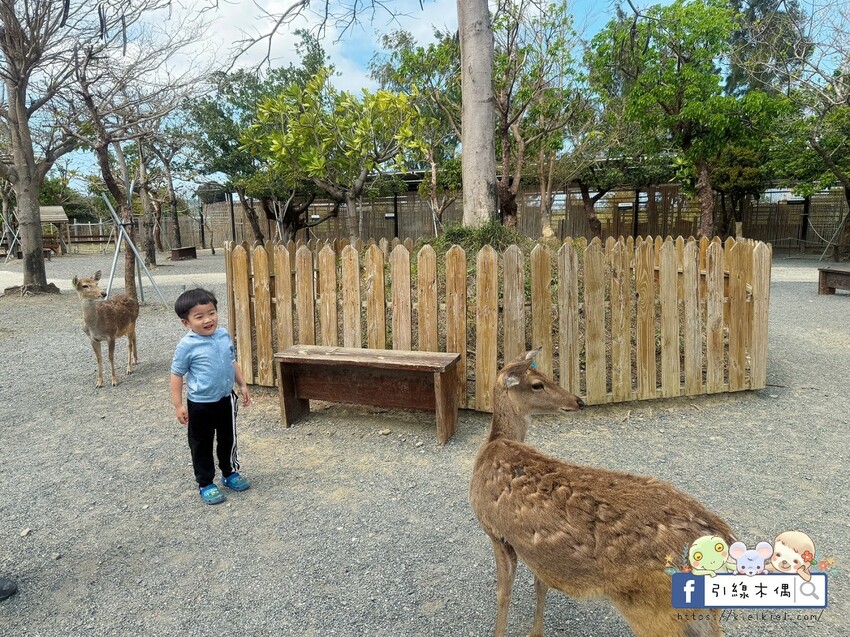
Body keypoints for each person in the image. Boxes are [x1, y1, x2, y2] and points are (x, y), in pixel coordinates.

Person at [170, 288, 251, 505]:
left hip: (226, 399)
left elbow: (231, 361)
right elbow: (177, 374)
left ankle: (230, 472)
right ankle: (206, 482)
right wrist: (178, 405)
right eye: (199, 316)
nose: (208, 319)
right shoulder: (187, 346)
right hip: (200, 404)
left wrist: (242, 384)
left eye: (212, 312)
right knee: (201, 443)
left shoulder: (223, 335)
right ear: (186, 323)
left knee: (228, 439)